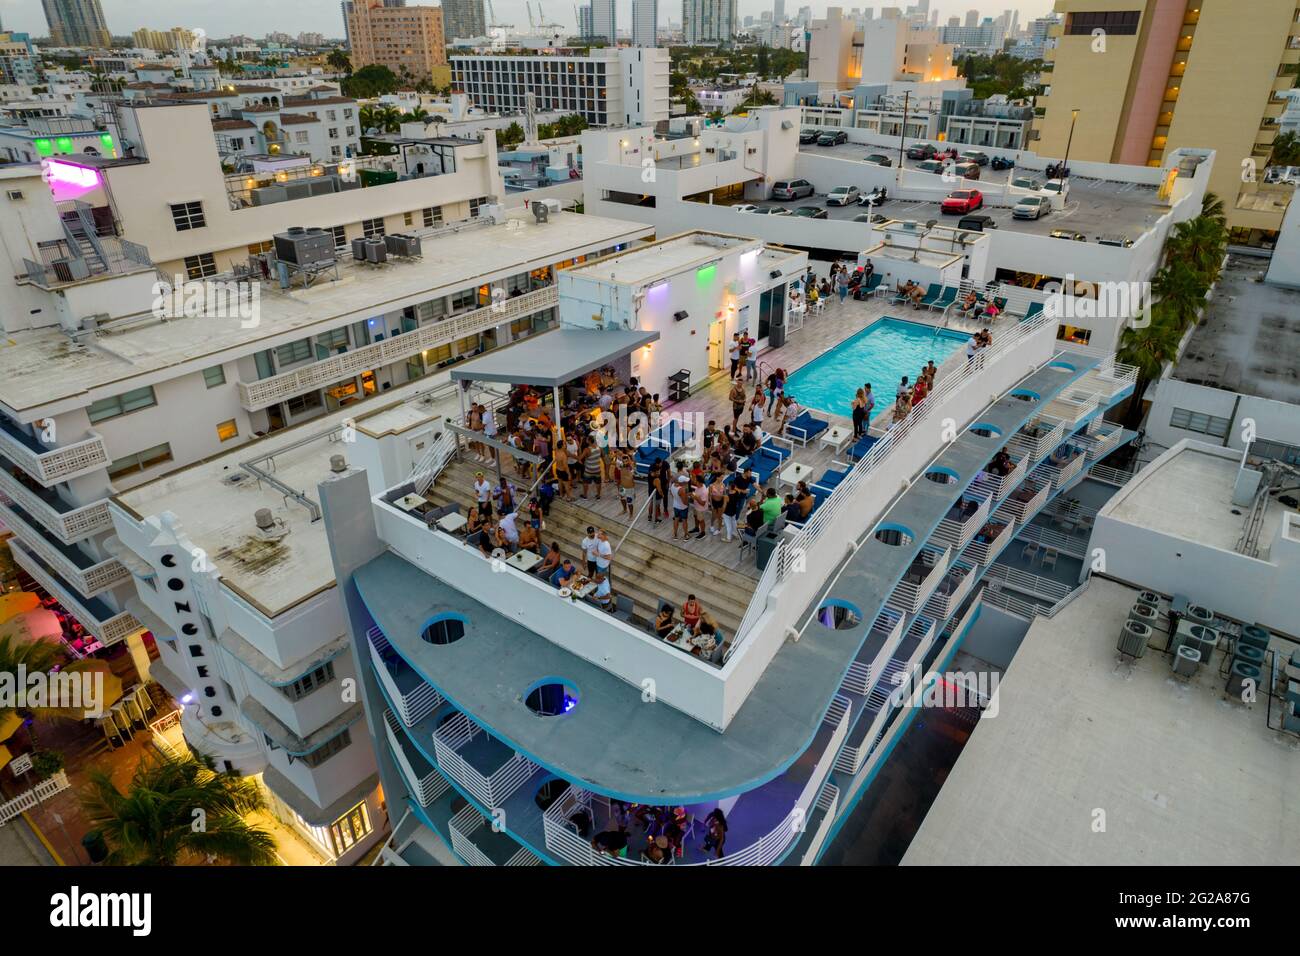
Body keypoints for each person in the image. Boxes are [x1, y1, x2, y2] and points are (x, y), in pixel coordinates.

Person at [616, 451, 636, 518]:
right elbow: (618, 459)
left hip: (630, 488)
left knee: (629, 502)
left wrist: (629, 459)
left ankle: (631, 514)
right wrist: (623, 456)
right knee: (622, 499)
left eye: (627, 460)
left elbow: (633, 467)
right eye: (624, 460)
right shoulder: (621, 465)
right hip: (622, 486)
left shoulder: (631, 467)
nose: (625, 462)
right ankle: (624, 510)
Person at [670, 474, 691, 540]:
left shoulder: (672, 485)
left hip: (675, 505)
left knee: (676, 519)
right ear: (682, 482)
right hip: (683, 507)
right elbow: (684, 501)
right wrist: (688, 503)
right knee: (684, 521)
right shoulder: (682, 490)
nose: (687, 482)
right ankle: (686, 534)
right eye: (685, 481)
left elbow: (672, 495)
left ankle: (675, 534)